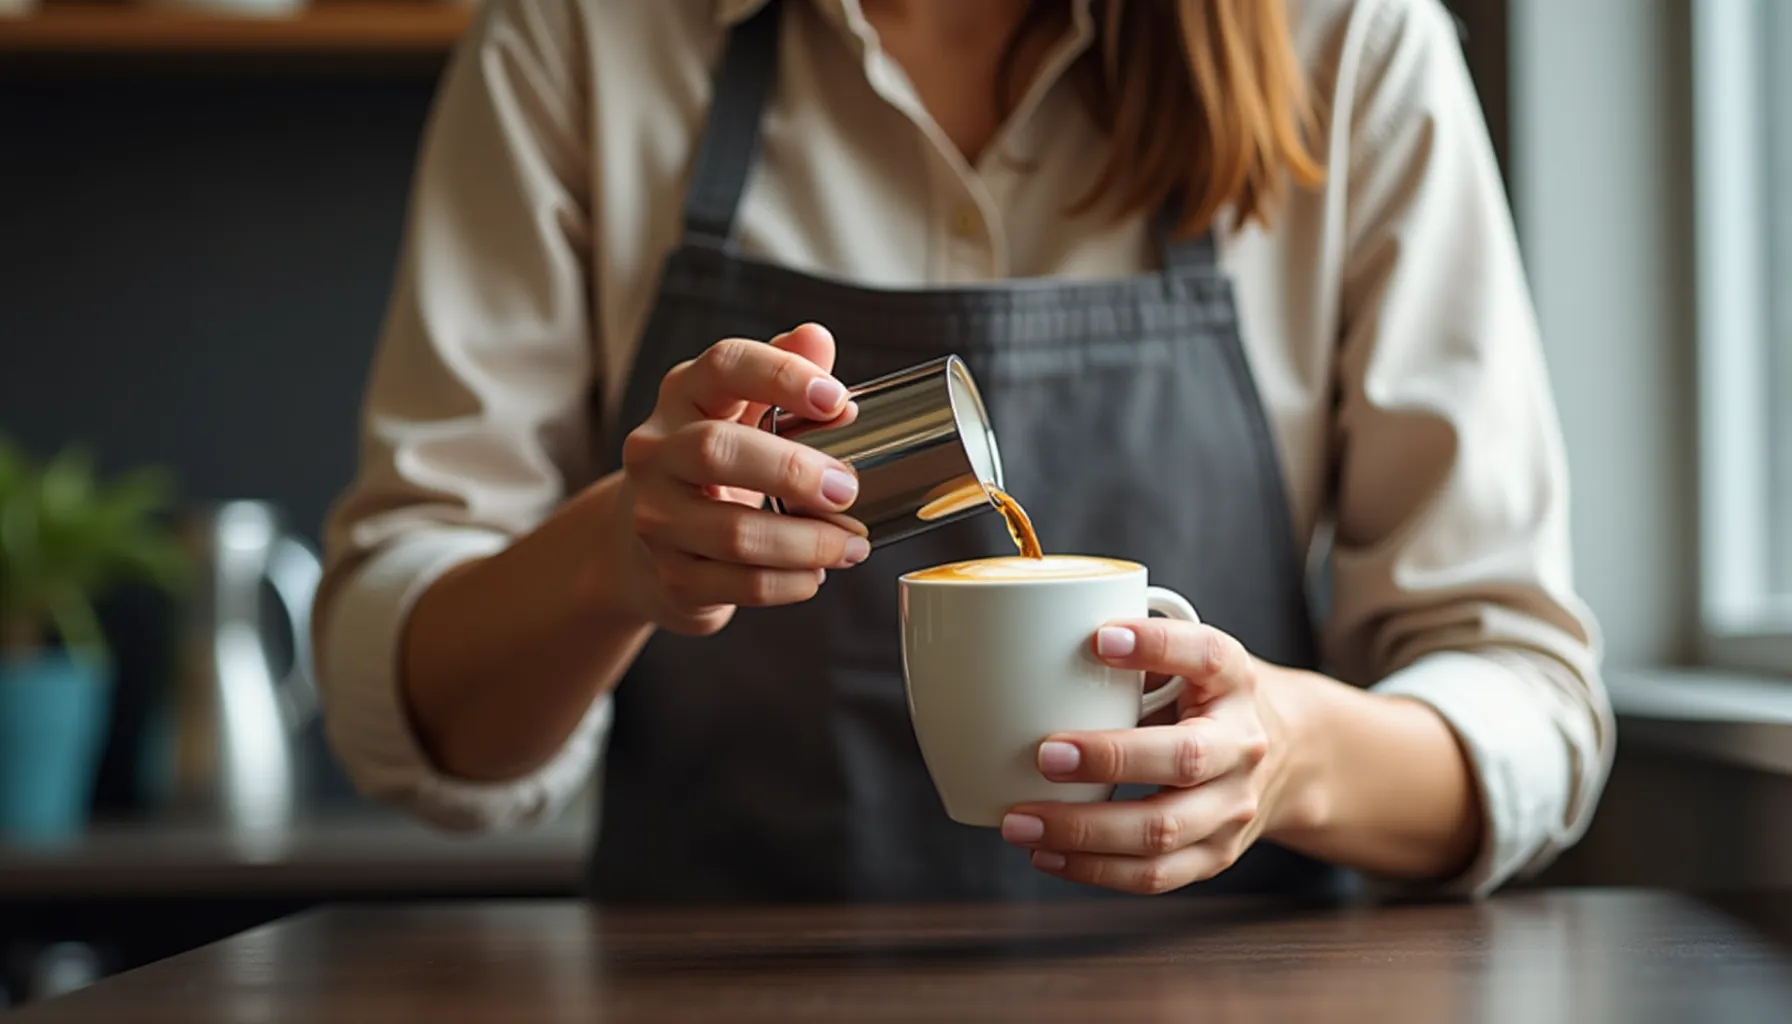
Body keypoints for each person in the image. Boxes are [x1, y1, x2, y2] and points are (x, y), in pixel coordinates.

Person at [313, 0, 1613, 904]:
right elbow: (405, 704)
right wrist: (611, 559)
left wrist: (1292, 756)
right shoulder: (582, 38)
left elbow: (1527, 702)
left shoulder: (1352, 47)